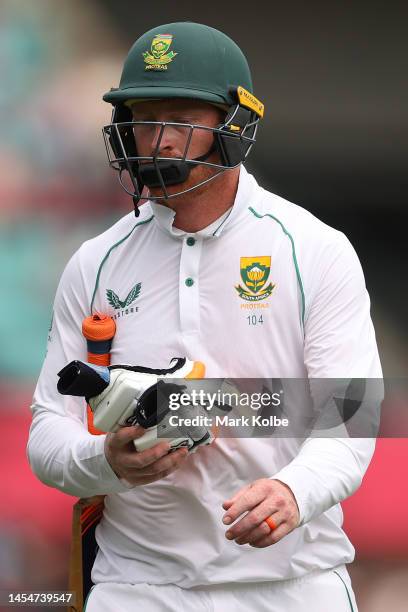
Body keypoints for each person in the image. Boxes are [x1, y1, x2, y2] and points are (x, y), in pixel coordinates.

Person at [27, 22, 382, 612]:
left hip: (291, 584)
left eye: (180, 117)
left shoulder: (314, 249)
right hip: (136, 588)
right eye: (143, 118)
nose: (158, 141)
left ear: (233, 128)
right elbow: (47, 433)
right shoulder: (95, 263)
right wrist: (107, 461)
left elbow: (353, 410)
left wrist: (295, 490)